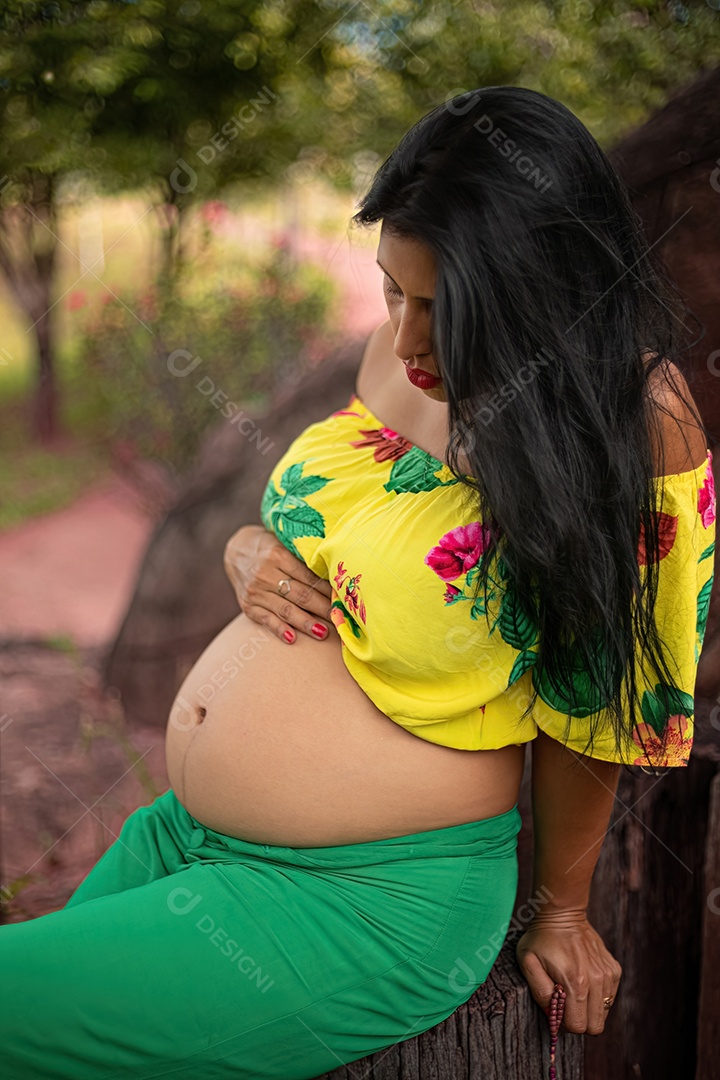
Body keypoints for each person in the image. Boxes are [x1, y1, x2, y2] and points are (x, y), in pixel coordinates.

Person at [1, 85, 715, 1080]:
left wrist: (560, 911)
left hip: (359, 902)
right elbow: (330, 520)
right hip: (181, 835)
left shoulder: (637, 417)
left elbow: (602, 699)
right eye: (394, 290)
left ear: (539, 287)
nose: (409, 339)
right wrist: (245, 550)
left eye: (444, 308)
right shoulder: (400, 358)